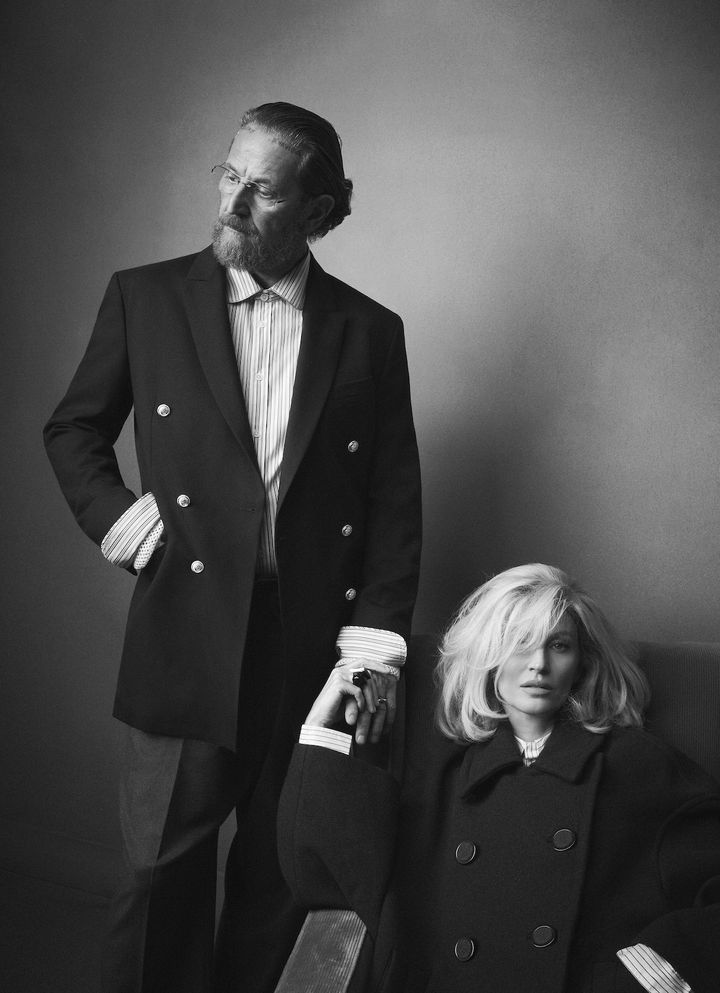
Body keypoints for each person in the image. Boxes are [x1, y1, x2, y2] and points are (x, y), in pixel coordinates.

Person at [43, 101, 422, 993]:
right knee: (158, 875)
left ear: (318, 211)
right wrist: (127, 525)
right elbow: (74, 429)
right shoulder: (145, 296)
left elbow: (394, 501)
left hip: (311, 645)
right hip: (187, 629)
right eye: (228, 175)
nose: (233, 201)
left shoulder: (370, 330)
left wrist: (373, 655)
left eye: (264, 190)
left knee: (283, 872)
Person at [279, 564, 720, 993]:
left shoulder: (637, 764)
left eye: (559, 645)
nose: (539, 664)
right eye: (519, 643)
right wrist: (321, 725)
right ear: (487, 656)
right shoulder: (441, 770)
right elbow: (324, 875)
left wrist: (647, 973)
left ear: (582, 662)